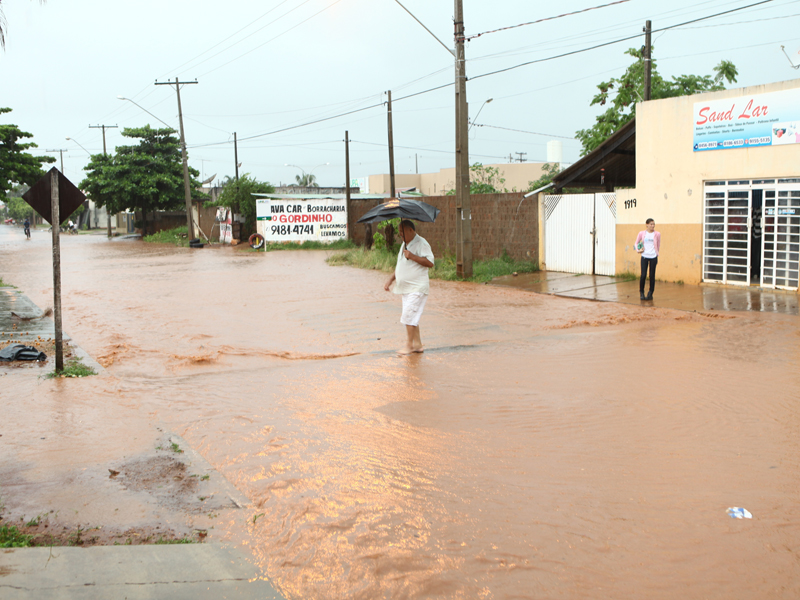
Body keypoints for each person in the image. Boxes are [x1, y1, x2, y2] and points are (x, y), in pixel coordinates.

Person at [383, 219, 435, 355]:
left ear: (410, 230)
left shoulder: (422, 243)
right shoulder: (404, 245)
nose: (400, 234)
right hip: (406, 289)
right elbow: (400, 266)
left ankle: (409, 345)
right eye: (399, 232)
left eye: (402, 232)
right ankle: (417, 345)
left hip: (417, 287)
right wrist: (390, 280)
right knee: (412, 316)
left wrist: (412, 256)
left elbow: (430, 262)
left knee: (408, 315)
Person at [635, 218, 660, 300]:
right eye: (651, 224)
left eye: (653, 224)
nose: (653, 226)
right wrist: (639, 250)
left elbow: (658, 244)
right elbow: (636, 242)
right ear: (647, 225)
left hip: (653, 257)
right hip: (644, 256)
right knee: (643, 275)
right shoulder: (642, 233)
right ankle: (641, 292)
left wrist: (656, 254)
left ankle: (650, 293)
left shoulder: (657, 234)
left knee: (652, 276)